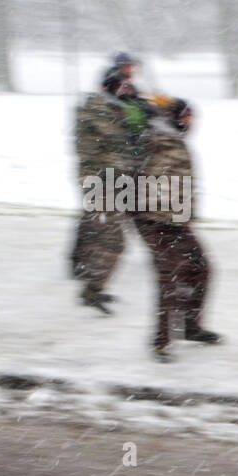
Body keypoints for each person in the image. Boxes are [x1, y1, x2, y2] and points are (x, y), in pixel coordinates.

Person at [130, 97, 219, 362]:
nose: (191, 123)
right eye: (187, 117)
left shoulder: (177, 141)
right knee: (169, 277)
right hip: (152, 221)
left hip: (178, 222)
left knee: (201, 268)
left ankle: (191, 327)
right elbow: (125, 174)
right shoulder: (151, 140)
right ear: (174, 118)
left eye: (193, 118)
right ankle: (161, 342)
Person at [71, 67, 152, 312]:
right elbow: (117, 142)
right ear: (110, 87)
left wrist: (138, 111)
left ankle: (92, 286)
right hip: (100, 183)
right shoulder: (96, 109)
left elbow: (131, 141)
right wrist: (131, 113)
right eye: (122, 87)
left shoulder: (112, 108)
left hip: (114, 182)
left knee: (102, 235)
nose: (126, 91)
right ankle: (91, 289)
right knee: (111, 239)